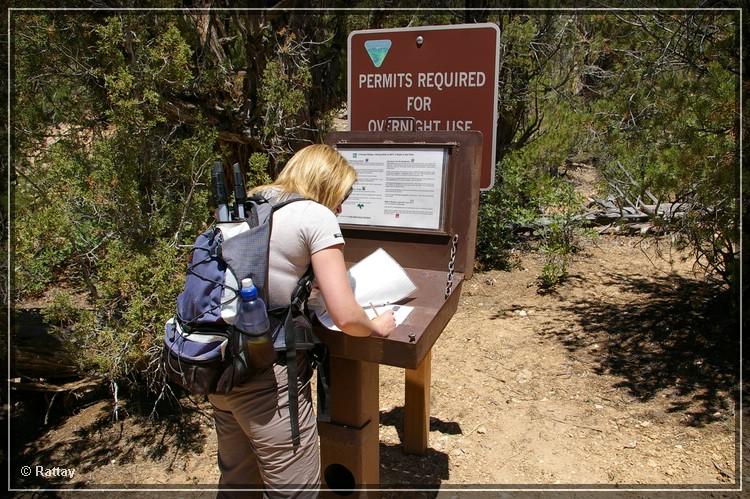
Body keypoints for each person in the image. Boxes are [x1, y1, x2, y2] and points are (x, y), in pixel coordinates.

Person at [208, 144, 397, 497]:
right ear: (326, 185)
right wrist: (378, 326)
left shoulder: (251, 201)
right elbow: (346, 315)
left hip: (218, 365)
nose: (341, 207)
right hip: (269, 379)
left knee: (238, 484)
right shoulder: (315, 215)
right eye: (343, 195)